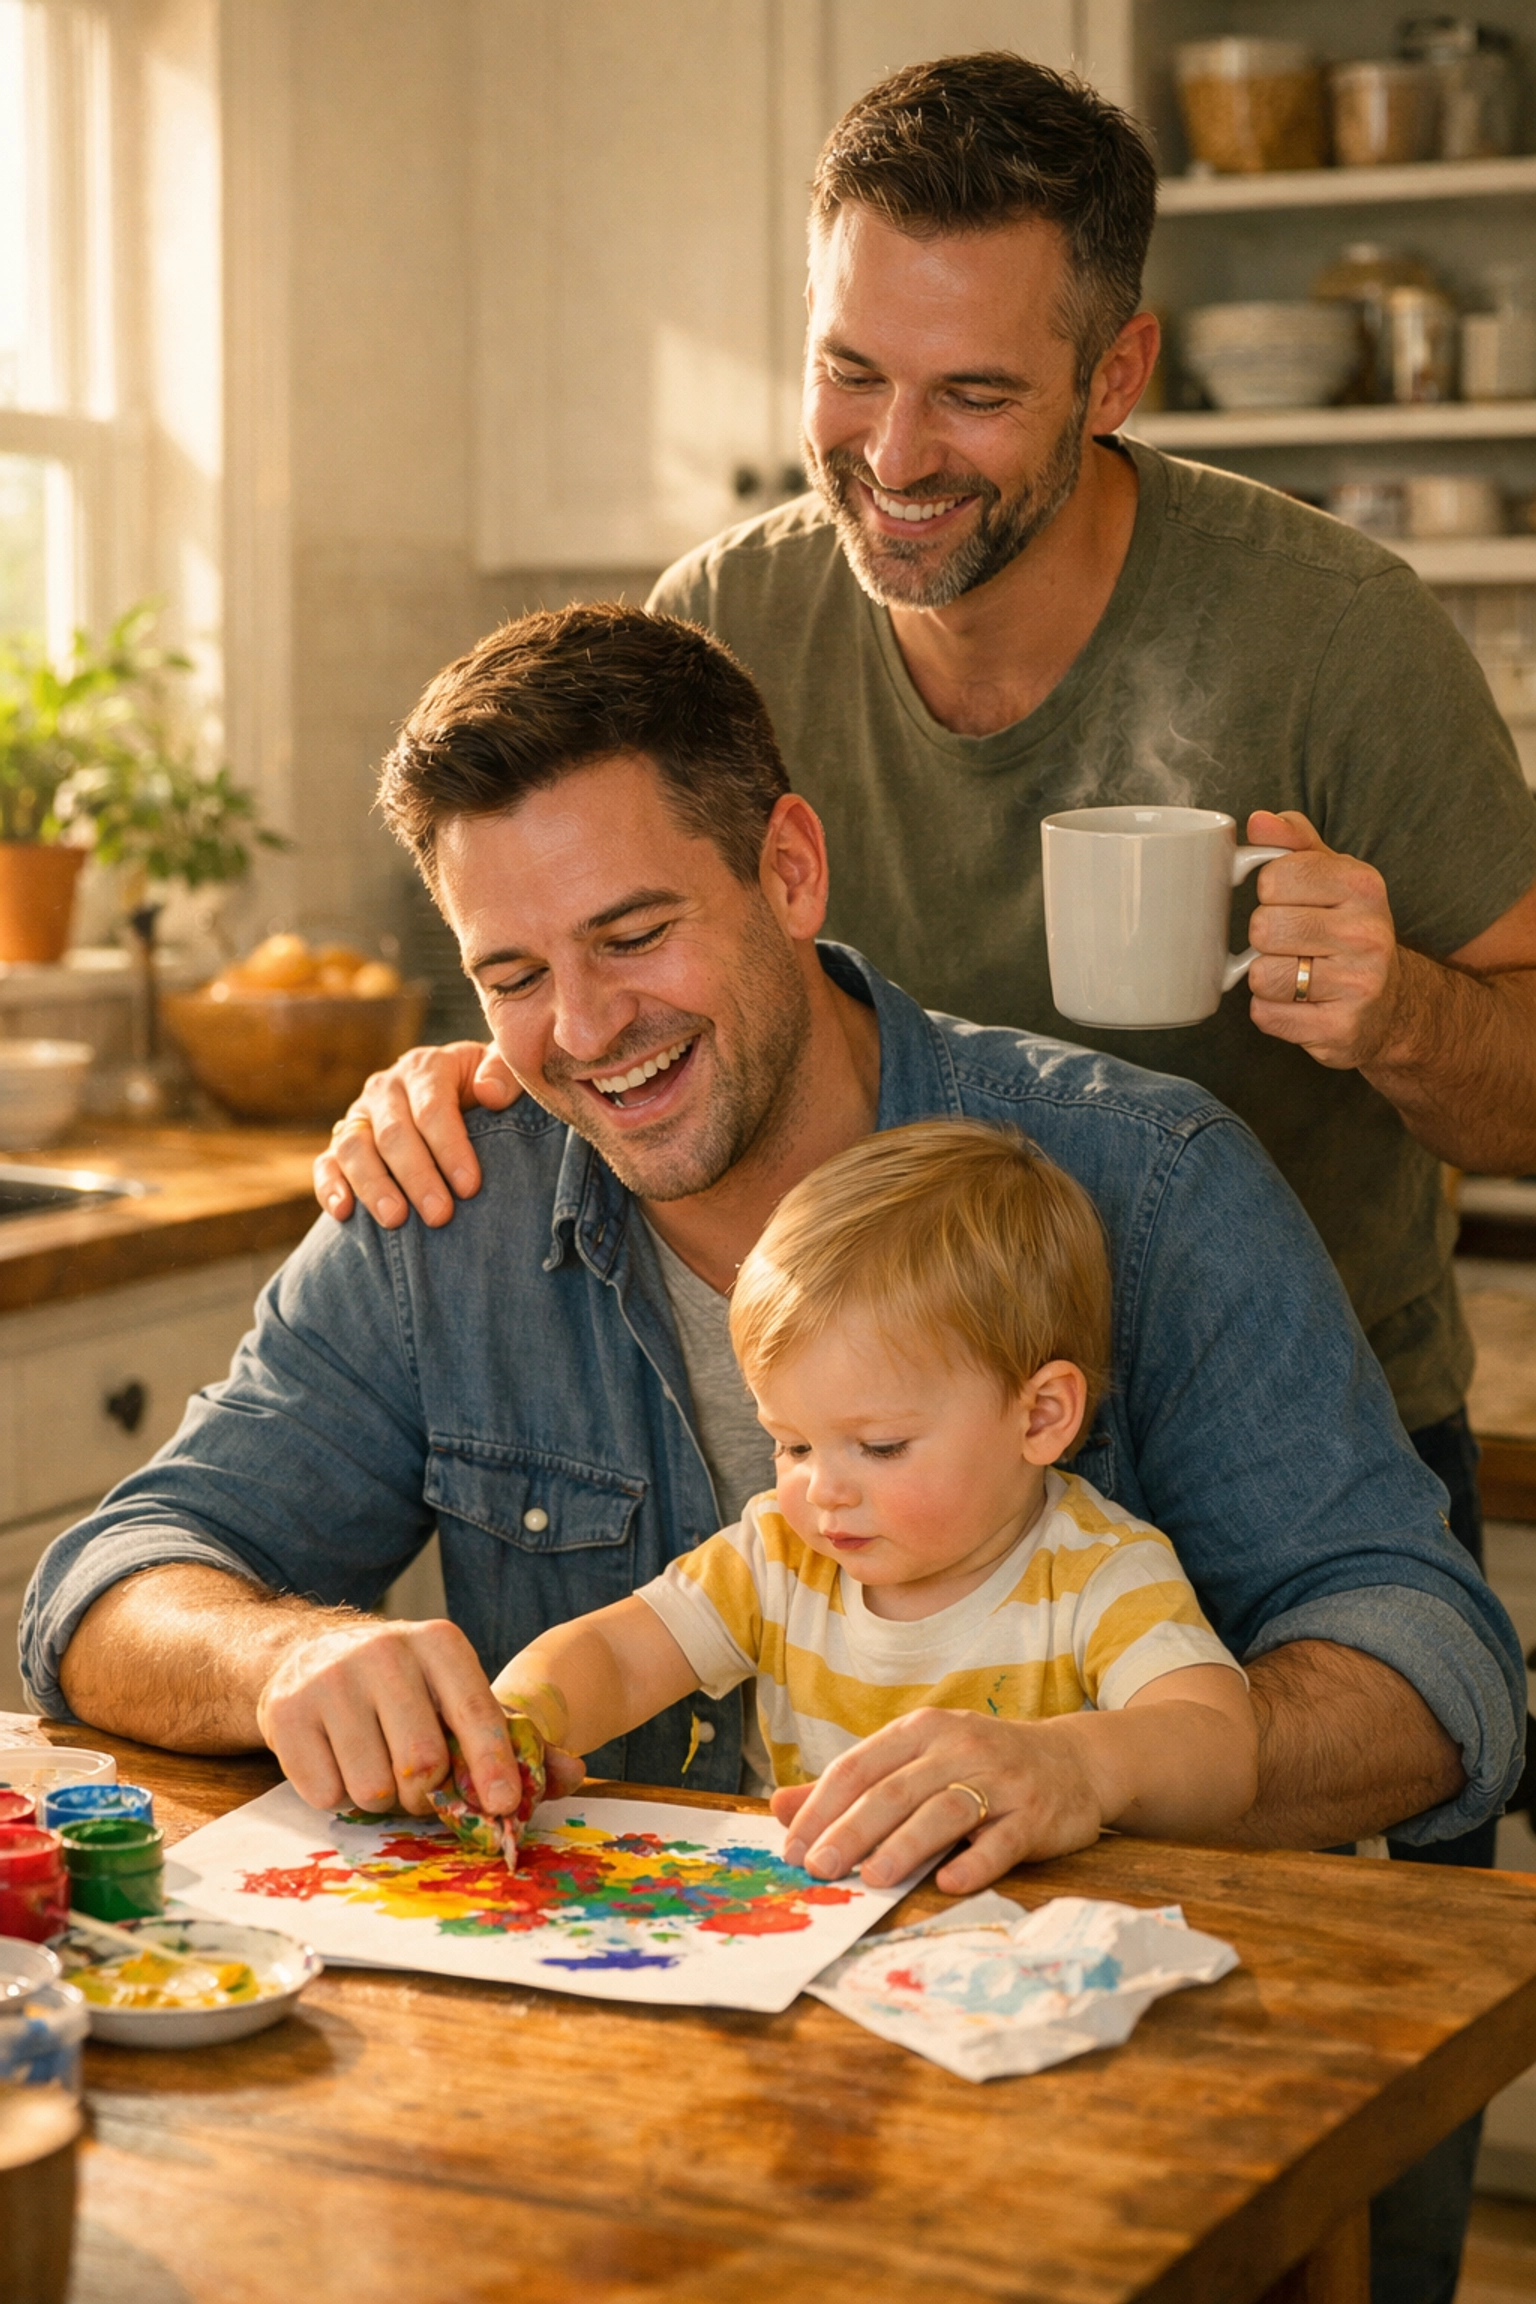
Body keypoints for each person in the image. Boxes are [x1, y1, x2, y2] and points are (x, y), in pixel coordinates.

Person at [23, 609, 1520, 2304]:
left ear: (791, 868)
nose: (584, 1027)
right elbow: (109, 1579)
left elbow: (1437, 1670)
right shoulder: (446, 1204)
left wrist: (1087, 1771)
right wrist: (294, 1651)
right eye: (512, 973)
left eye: (634, 932)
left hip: (1071, 2152)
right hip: (600, 2154)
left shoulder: (1142, 1178)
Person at [484, 1119, 1258, 1890]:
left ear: (1041, 1416)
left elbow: (1220, 1749)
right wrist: (514, 1724)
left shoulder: (1098, 1573)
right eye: (792, 1445)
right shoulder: (781, 1557)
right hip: (805, 1934)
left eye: (880, 1447)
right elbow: (617, 1659)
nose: (822, 1490)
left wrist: (1076, 1765)